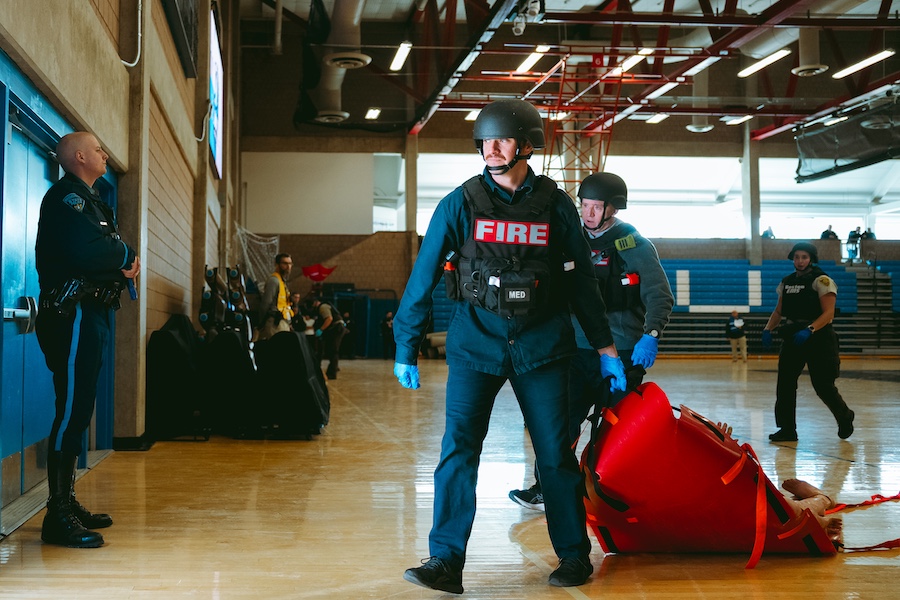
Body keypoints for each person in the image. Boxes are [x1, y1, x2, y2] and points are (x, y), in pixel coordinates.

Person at [392, 99, 627, 594]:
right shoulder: (460, 203)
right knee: (458, 451)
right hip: (476, 344)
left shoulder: (557, 206)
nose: (490, 149)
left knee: (554, 455)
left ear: (525, 146)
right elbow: (424, 274)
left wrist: (605, 348)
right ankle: (445, 560)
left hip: (542, 347)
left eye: (500, 140)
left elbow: (583, 282)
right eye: (485, 141)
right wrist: (405, 343)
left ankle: (572, 557)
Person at [509, 171, 673, 512]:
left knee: (617, 427)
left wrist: (651, 335)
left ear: (614, 209)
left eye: (596, 207)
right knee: (559, 422)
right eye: (584, 205)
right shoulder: (571, 240)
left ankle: (616, 492)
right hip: (575, 350)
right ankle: (546, 487)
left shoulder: (634, 245)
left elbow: (660, 295)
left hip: (623, 349)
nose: (588, 214)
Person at [34, 131, 141, 548]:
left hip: (91, 313)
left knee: (80, 410)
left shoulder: (92, 200)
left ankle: (66, 500)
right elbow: (90, 253)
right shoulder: (67, 199)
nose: (104, 153)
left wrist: (117, 258)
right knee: (70, 411)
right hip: (72, 314)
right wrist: (125, 255)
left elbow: (102, 250)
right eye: (97, 149)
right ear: (79, 157)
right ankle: (56, 516)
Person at [762, 242, 855, 442]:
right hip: (793, 336)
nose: (800, 261)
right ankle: (787, 429)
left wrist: (810, 329)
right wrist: (768, 329)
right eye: (797, 257)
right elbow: (779, 311)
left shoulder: (822, 280)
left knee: (822, 385)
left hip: (819, 337)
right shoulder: (786, 282)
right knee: (785, 384)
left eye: (804, 257)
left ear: (811, 258)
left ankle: (844, 416)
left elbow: (828, 313)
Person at [256, 252, 294, 340]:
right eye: (285, 263)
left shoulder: (282, 282)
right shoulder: (274, 281)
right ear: (277, 265)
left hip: (283, 322)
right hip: (274, 323)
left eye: (290, 263)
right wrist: (261, 323)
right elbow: (266, 303)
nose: (288, 266)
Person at [310, 297, 346, 379]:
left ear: (316, 302)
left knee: (333, 350)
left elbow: (329, 319)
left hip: (336, 329)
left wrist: (321, 329)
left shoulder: (323, 307)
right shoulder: (324, 306)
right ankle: (333, 369)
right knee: (331, 350)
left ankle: (332, 373)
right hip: (335, 328)